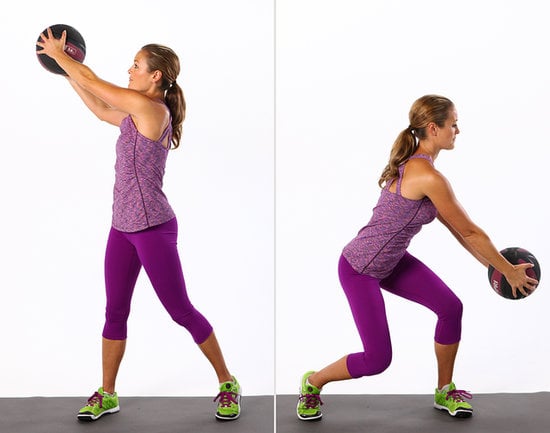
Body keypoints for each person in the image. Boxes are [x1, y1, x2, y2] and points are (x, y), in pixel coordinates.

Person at [36, 28, 241, 422]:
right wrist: (65, 71)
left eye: (136, 65)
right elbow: (98, 107)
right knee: (115, 311)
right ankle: (107, 392)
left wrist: (62, 56)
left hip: (152, 228)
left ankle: (227, 382)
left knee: (180, 309)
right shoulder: (133, 113)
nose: (129, 70)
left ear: (155, 77)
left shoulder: (153, 110)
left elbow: (94, 81)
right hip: (122, 228)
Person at [296, 94, 538, 421]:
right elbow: (470, 232)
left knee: (451, 308)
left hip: (392, 262)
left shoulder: (422, 168)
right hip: (359, 269)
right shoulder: (427, 176)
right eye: (453, 123)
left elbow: (458, 230)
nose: (458, 130)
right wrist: (507, 270)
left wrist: (496, 267)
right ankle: (312, 383)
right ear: (433, 128)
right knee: (377, 360)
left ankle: (444, 390)